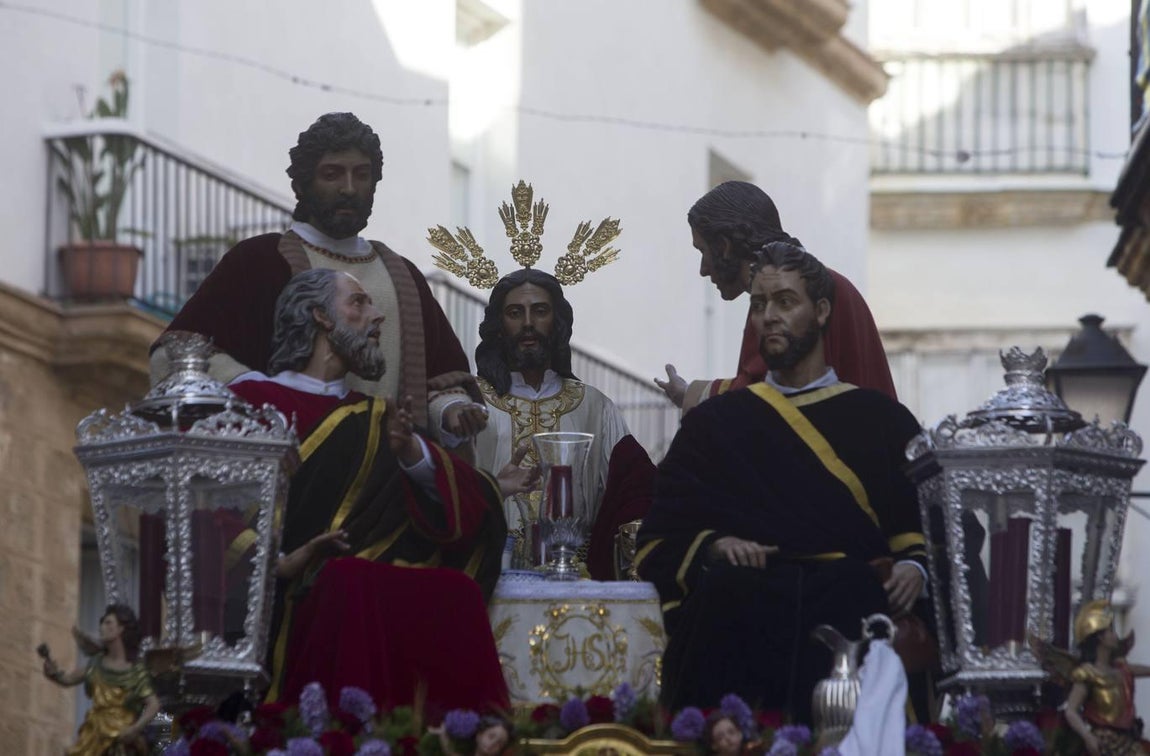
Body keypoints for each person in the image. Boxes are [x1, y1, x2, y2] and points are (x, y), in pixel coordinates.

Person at [636, 241, 926, 724]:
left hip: (847, 611)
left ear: (822, 311)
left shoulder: (884, 421)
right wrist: (713, 545)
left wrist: (915, 566)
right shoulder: (714, 426)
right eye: (759, 304)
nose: (769, 316)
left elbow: (921, 524)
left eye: (785, 302)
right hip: (740, 619)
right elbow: (658, 539)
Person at [225, 268, 525, 715]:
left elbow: (424, 494)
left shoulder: (379, 416)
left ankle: (453, 732)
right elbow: (212, 508)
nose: (377, 315)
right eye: (359, 303)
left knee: (453, 591)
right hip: (279, 593)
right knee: (349, 580)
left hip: (354, 574)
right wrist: (283, 560)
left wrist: (469, 478)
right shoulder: (249, 400)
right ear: (321, 317)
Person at [155, 112, 486, 448]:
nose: (348, 189)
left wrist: (451, 412)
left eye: (362, 175)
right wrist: (256, 388)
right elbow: (176, 355)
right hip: (296, 468)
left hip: (389, 479)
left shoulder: (404, 277)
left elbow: (440, 380)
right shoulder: (258, 262)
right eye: (332, 175)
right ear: (301, 184)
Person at [472, 268, 654, 579]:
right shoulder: (472, 403)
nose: (528, 323)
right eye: (515, 313)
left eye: (539, 311)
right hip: (489, 572)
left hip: (574, 576)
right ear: (499, 326)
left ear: (556, 323)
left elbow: (634, 490)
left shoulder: (594, 406)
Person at [655, 181, 896, 411]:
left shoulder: (782, 303)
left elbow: (764, 396)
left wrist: (691, 394)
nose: (703, 269)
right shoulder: (826, 285)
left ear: (724, 245)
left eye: (703, 251)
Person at [41, 605, 161, 756]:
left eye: (108, 623)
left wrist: (135, 729)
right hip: (94, 735)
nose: (102, 627)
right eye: (102, 623)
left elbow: (153, 704)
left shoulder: (136, 671)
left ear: (121, 629)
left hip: (121, 739)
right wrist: (54, 674)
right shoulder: (96, 664)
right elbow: (68, 679)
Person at [1035, 600, 1150, 756]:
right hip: (1103, 743)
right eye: (1110, 631)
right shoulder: (1087, 673)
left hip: (1128, 742)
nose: (1115, 636)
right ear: (1100, 638)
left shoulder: (1122, 670)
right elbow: (1071, 711)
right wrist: (1087, 736)